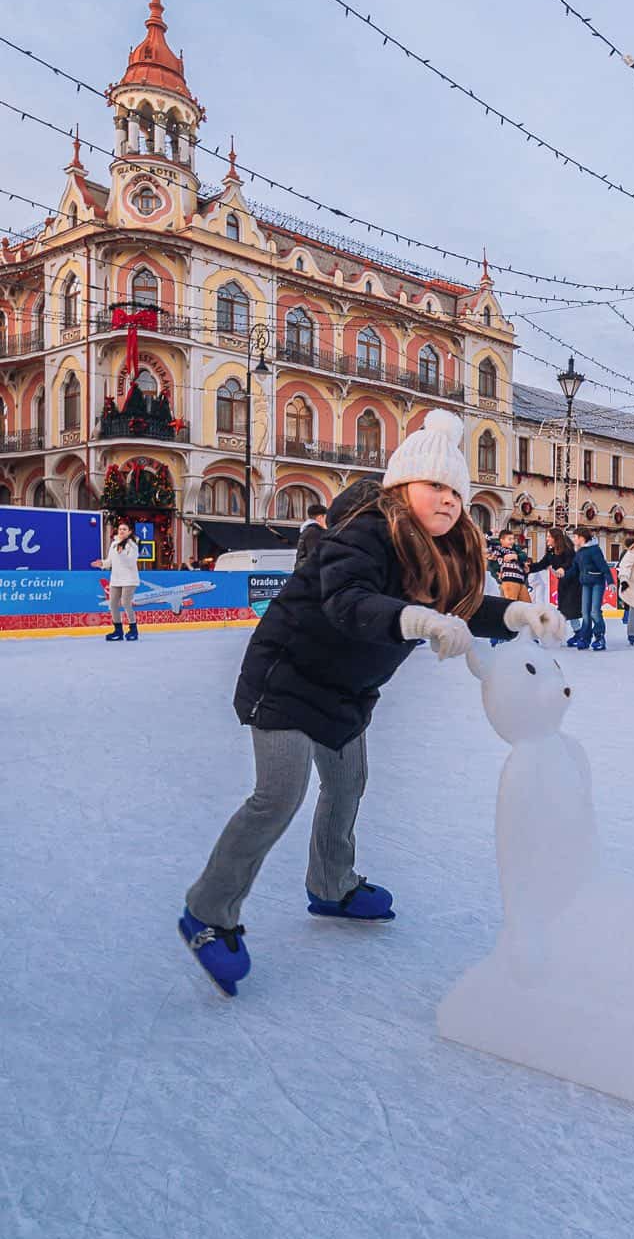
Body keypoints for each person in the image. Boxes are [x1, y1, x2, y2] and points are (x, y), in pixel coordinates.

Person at [178, 411, 564, 996]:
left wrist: (514, 614)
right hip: (287, 676)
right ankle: (209, 912)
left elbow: (462, 604)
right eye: (435, 485)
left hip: (346, 690)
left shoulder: (437, 551)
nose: (449, 500)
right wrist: (414, 619)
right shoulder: (362, 533)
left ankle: (331, 884)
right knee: (277, 796)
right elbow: (347, 601)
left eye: (456, 491)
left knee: (347, 783)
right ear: (401, 486)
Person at [93, 520, 141, 643]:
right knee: (113, 604)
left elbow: (131, 562)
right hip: (116, 579)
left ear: (129, 532)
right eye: (120, 529)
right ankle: (118, 630)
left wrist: (122, 554)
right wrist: (102, 564)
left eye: (124, 529)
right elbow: (110, 562)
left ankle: (133, 629)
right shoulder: (114, 545)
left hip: (129, 579)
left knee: (125, 603)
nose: (121, 531)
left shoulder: (133, 546)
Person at [568, 525, 610, 651]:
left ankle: (599, 637)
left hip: (597, 583)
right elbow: (574, 569)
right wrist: (562, 575)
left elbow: (604, 567)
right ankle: (585, 638)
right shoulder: (579, 552)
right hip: (586, 584)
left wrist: (611, 582)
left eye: (575, 537)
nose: (573, 539)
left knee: (594, 612)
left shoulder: (594, 550)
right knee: (585, 613)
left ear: (582, 538)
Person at [491, 525, 530, 603]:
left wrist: (522, 563)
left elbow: (524, 556)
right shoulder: (498, 549)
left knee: (528, 606)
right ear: (501, 540)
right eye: (509, 539)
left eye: (513, 539)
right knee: (510, 605)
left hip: (520, 581)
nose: (512, 541)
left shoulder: (515, 549)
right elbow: (485, 541)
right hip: (509, 579)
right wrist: (491, 532)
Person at [294, 500, 328, 571]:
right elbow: (314, 556)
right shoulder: (314, 531)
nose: (327, 520)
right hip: (309, 574)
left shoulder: (308, 530)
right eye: (325, 517)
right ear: (320, 517)